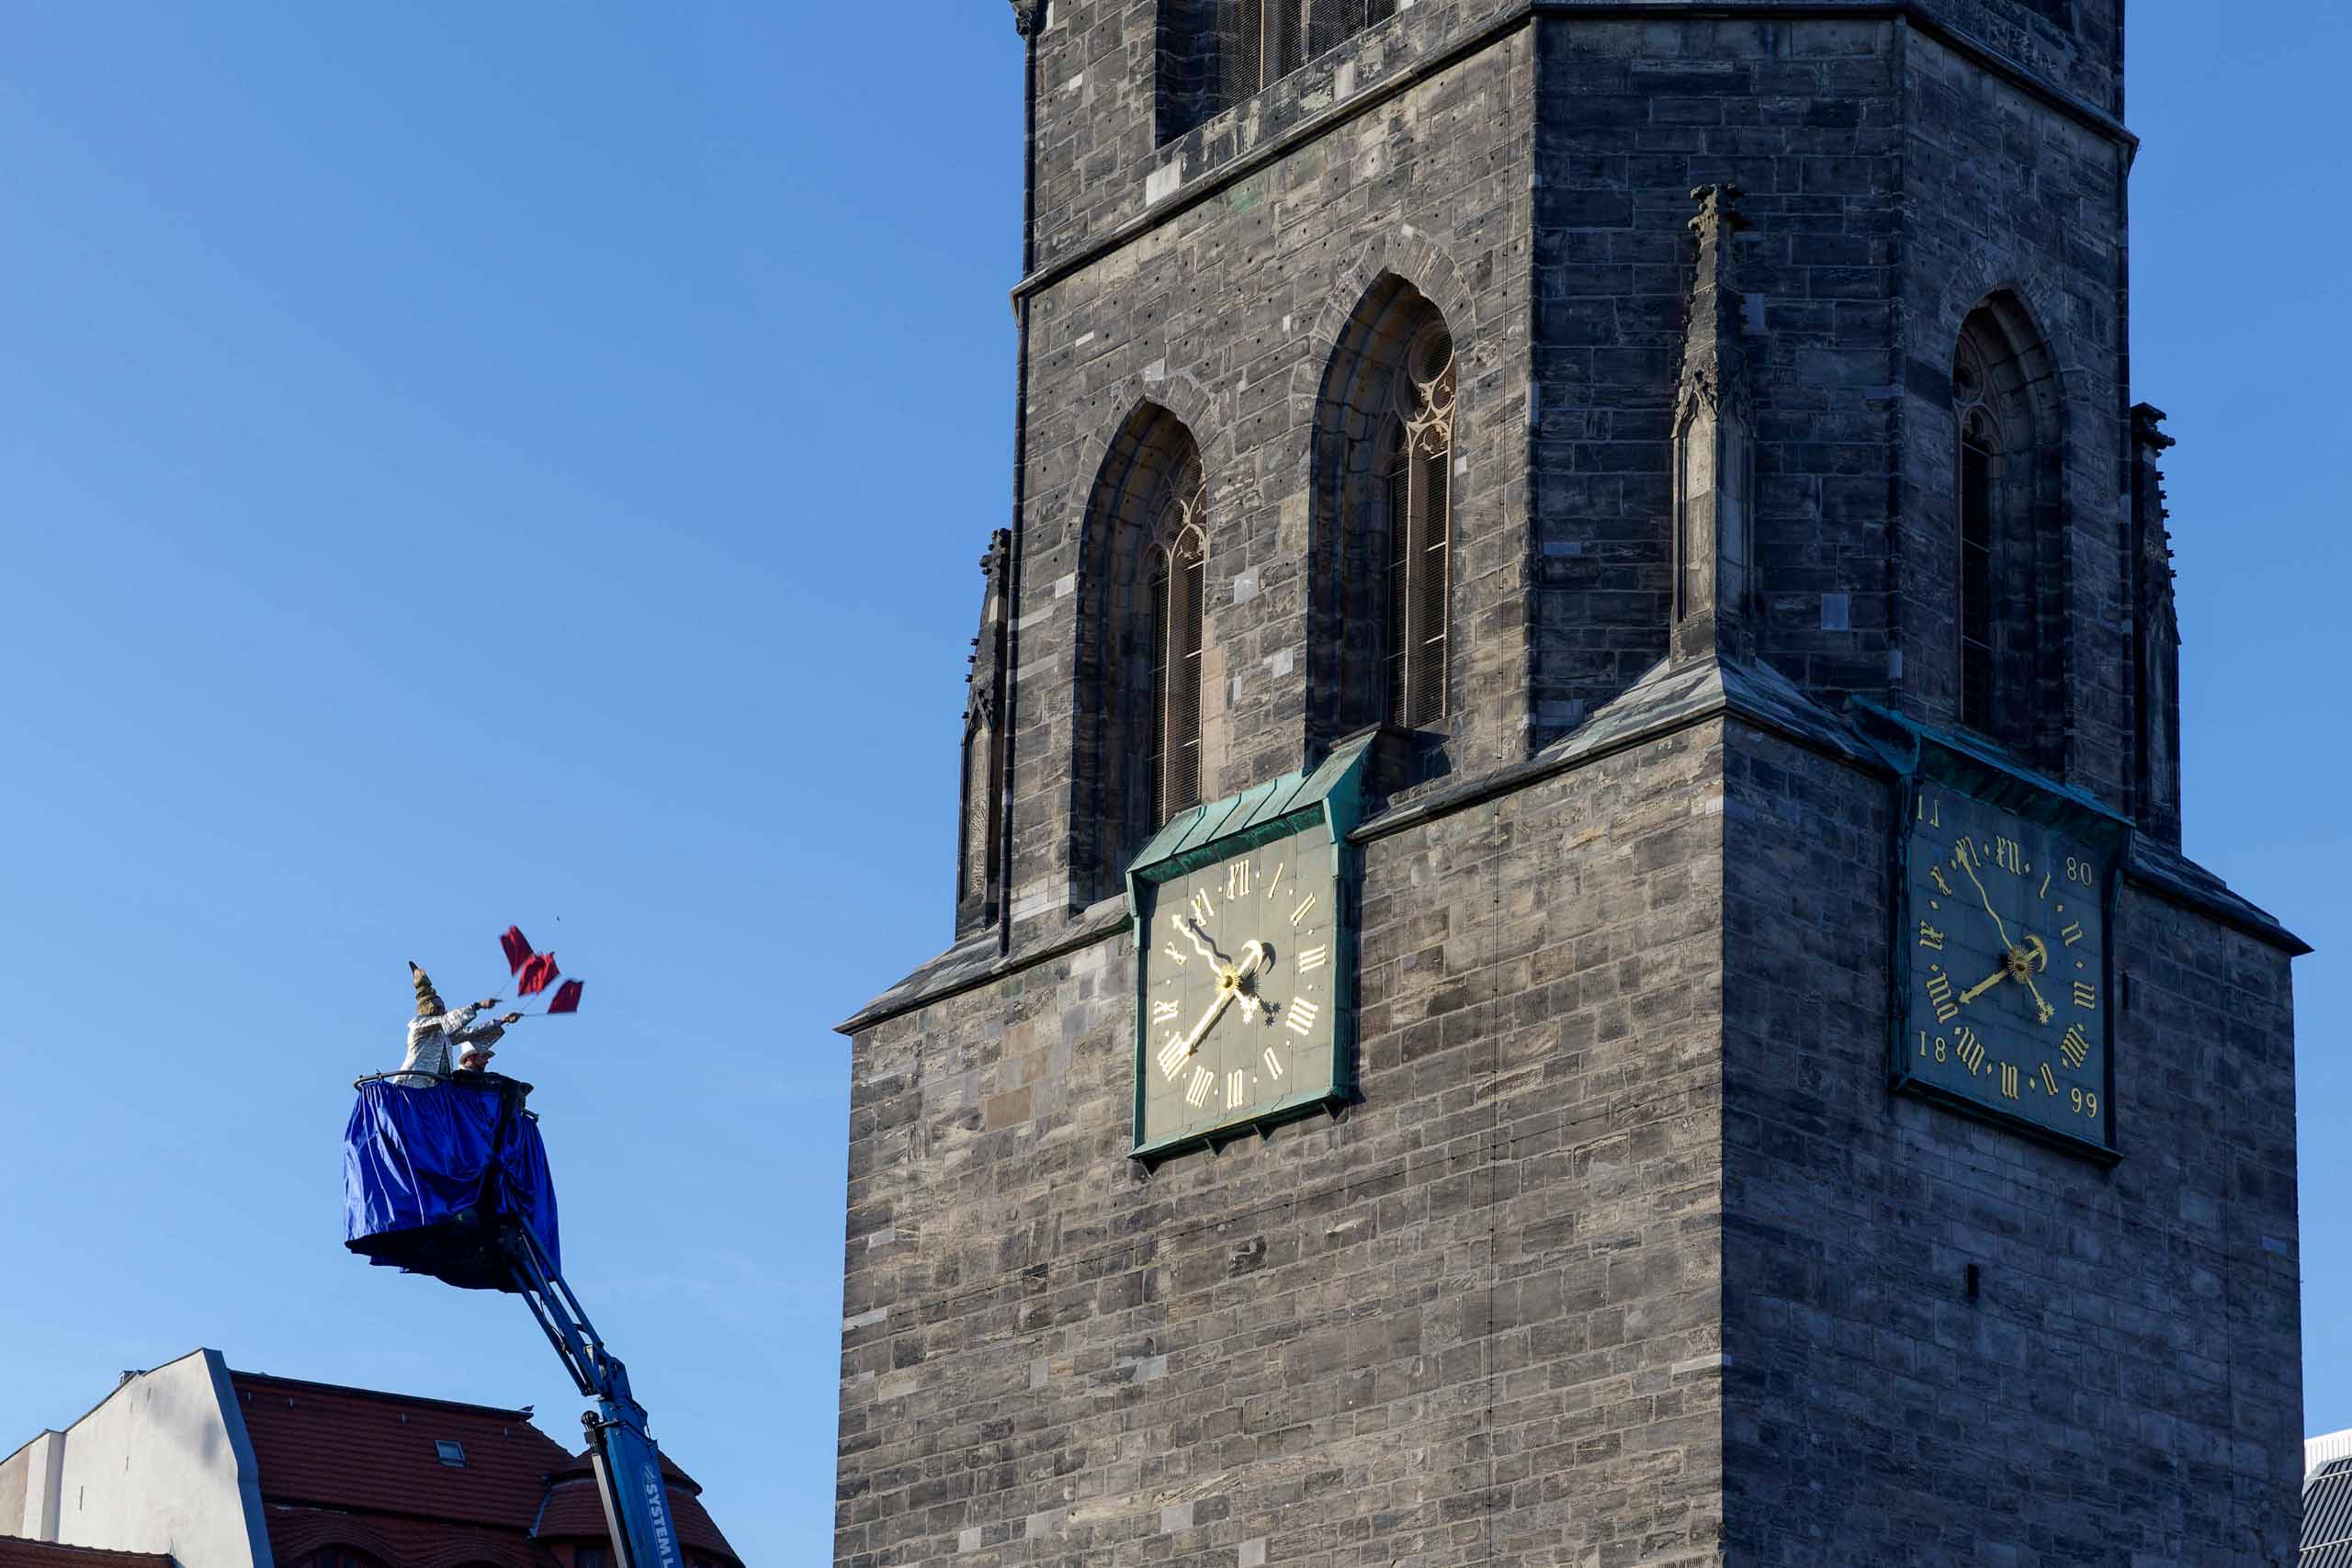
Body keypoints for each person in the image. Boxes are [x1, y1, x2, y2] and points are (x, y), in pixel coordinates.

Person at [395, 962, 522, 1083]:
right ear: (428, 1008)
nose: (443, 1011)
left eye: (444, 1009)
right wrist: (477, 1006)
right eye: (439, 1008)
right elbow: (446, 1021)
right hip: (413, 1083)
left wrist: (502, 1020)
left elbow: (472, 1032)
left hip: (436, 1086)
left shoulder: (444, 1034)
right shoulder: (418, 1024)